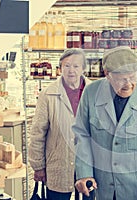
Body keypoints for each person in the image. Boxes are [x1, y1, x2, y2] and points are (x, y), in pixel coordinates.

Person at [72, 46, 137, 200]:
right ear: (107, 74)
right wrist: (84, 172)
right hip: (104, 186)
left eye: (132, 77)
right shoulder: (91, 93)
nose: (128, 84)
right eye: (122, 79)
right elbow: (82, 135)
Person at [29, 48, 91, 200]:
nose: (71, 71)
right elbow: (38, 132)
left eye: (76, 66)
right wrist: (38, 166)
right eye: (67, 66)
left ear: (83, 68)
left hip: (89, 164)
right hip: (58, 164)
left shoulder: (94, 92)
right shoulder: (48, 93)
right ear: (60, 68)